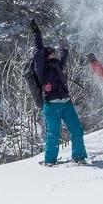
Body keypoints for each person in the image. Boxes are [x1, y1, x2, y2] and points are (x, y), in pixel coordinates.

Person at [30, 19, 87, 165]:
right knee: (54, 133)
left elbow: (64, 56)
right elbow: (39, 51)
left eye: (55, 53)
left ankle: (79, 157)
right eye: (52, 53)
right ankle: (50, 161)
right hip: (51, 104)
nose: (55, 55)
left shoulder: (57, 65)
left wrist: (64, 46)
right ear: (46, 56)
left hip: (66, 102)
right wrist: (37, 33)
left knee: (77, 129)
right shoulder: (42, 69)